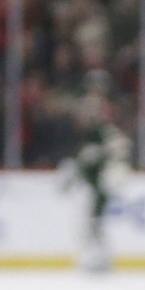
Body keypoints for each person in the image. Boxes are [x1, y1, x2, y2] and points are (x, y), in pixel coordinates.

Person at [59, 71, 130, 272]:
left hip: (99, 184)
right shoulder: (83, 135)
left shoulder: (106, 131)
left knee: (94, 220)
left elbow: (119, 148)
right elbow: (78, 159)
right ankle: (95, 255)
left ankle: (101, 256)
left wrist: (114, 164)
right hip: (88, 184)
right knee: (86, 222)